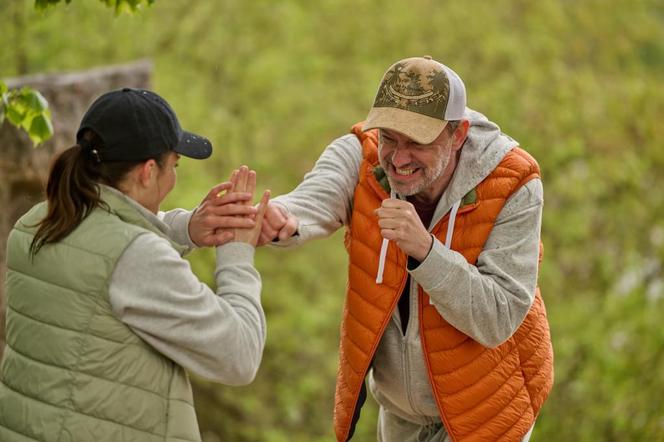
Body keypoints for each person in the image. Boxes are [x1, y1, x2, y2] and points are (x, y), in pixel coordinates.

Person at [259, 56, 554, 441]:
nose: (398, 158)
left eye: (416, 142)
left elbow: (498, 317)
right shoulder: (360, 155)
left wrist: (426, 252)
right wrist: (284, 217)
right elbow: (314, 197)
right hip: (399, 415)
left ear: (459, 134)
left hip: (486, 412)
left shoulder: (514, 183)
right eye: (389, 138)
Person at [0, 88, 270, 441]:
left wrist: (186, 228)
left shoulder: (36, 223)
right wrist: (237, 253)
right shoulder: (136, 257)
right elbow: (240, 355)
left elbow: (106, 245)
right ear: (147, 172)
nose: (173, 178)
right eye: (174, 166)